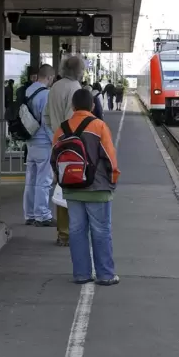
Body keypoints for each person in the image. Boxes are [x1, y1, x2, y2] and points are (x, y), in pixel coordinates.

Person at [51, 89, 120, 285]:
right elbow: (110, 158)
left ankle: (81, 274)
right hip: (97, 188)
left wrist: (61, 181)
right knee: (101, 231)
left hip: (72, 189)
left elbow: (54, 158)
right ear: (92, 106)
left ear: (72, 106)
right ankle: (106, 275)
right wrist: (112, 181)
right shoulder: (99, 126)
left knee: (76, 231)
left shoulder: (62, 128)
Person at [44, 55, 85, 246]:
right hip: (72, 143)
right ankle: (70, 233)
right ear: (79, 71)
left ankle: (62, 233)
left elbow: (46, 116)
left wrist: (55, 130)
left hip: (56, 141)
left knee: (60, 186)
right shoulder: (75, 88)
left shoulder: (55, 87)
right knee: (73, 185)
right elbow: (74, 118)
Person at [22, 64, 56, 226]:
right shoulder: (47, 95)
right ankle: (42, 215)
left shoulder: (27, 91)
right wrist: (55, 141)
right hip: (43, 142)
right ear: (49, 78)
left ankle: (29, 214)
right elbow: (47, 122)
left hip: (30, 141)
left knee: (31, 179)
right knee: (44, 180)